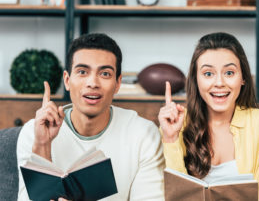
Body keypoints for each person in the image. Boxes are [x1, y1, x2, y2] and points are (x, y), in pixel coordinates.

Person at [16, 33, 165, 200]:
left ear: (117, 84)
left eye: (105, 74)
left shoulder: (143, 134)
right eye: (82, 72)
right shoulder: (33, 132)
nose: (93, 83)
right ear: (67, 80)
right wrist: (42, 146)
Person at [159, 32, 259, 183]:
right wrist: (171, 138)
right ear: (196, 80)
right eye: (208, 74)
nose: (219, 82)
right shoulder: (175, 125)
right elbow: (174, 193)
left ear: (243, 78)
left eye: (229, 73)